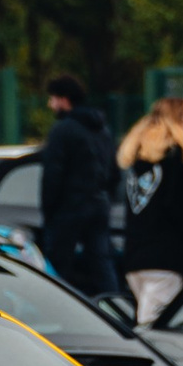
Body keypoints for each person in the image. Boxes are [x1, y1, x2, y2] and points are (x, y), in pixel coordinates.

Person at [116, 96, 183, 319]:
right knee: (152, 332)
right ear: (177, 120)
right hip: (164, 261)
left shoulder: (138, 161)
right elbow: (179, 209)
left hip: (134, 259)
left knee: (148, 320)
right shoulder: (177, 160)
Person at [38, 72, 116, 295]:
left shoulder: (62, 131)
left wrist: (49, 211)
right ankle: (112, 306)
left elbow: (52, 175)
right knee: (102, 263)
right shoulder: (102, 130)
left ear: (64, 99)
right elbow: (114, 171)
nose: (50, 104)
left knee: (56, 266)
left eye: (53, 99)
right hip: (99, 204)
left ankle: (53, 306)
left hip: (69, 208)